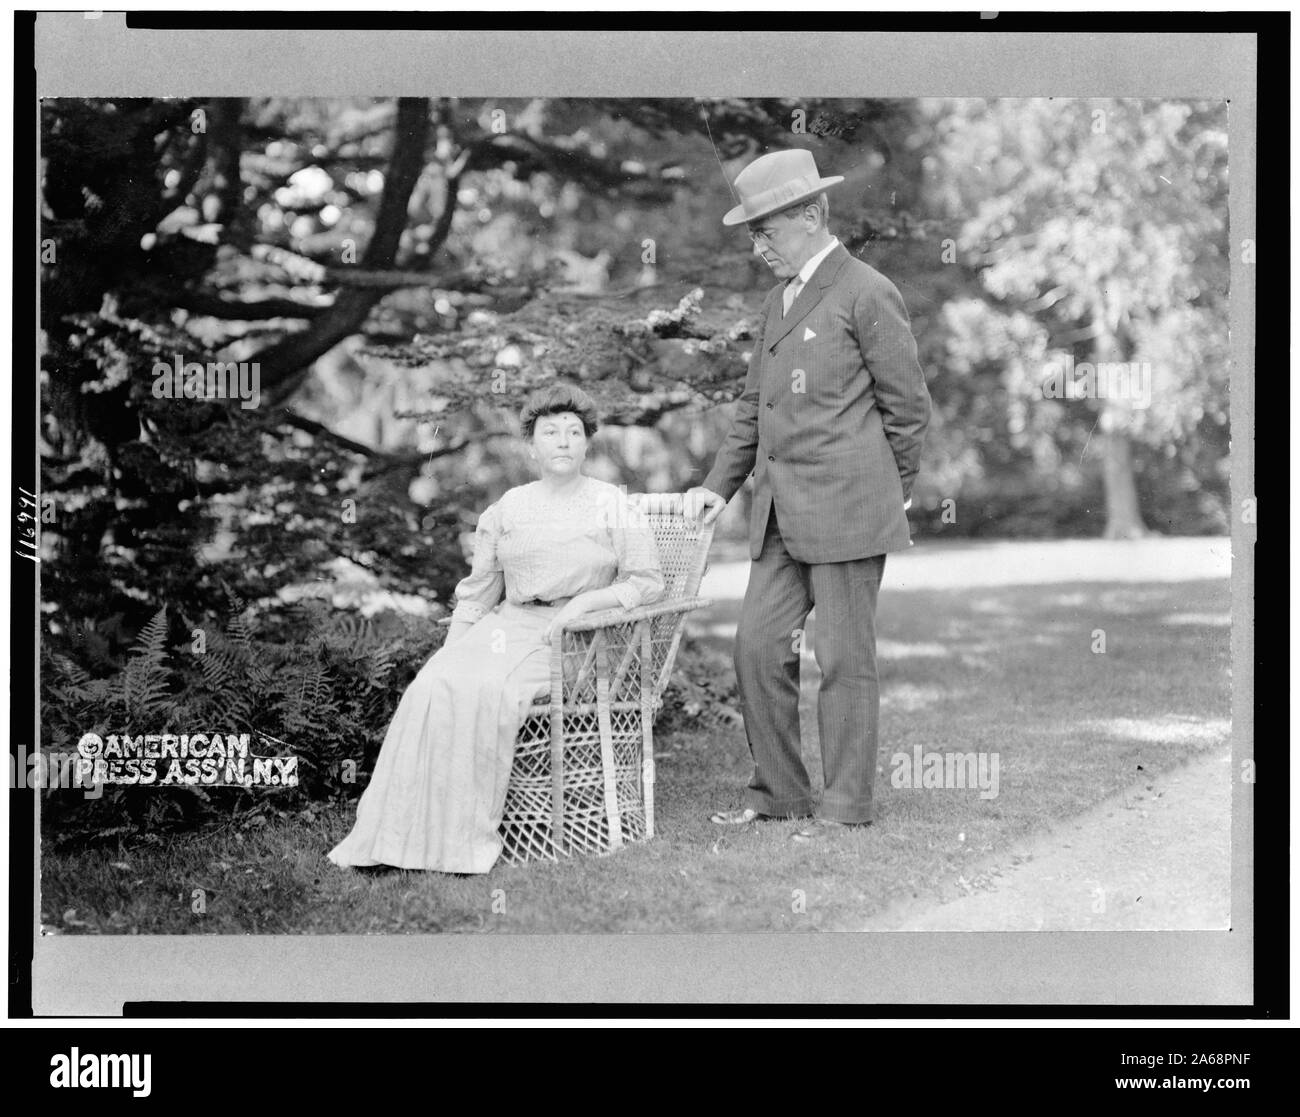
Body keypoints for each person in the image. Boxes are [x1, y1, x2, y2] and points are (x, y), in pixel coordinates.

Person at [684, 148, 931, 841]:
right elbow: (751, 408)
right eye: (753, 233)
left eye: (768, 230)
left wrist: (889, 493)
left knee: (845, 662)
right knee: (758, 651)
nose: (758, 246)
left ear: (813, 215)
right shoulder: (776, 302)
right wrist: (716, 488)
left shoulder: (867, 290)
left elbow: (909, 411)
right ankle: (780, 797)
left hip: (851, 513)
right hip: (778, 517)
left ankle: (846, 806)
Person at [328, 383, 665, 873]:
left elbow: (647, 582)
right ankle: (397, 841)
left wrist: (588, 602)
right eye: (551, 432)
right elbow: (479, 592)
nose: (564, 441)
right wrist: (450, 649)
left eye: (574, 432)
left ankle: (459, 844)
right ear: (532, 445)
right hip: (509, 625)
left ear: (587, 442)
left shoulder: (611, 502)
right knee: (433, 685)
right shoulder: (509, 507)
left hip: (579, 638)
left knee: (488, 689)